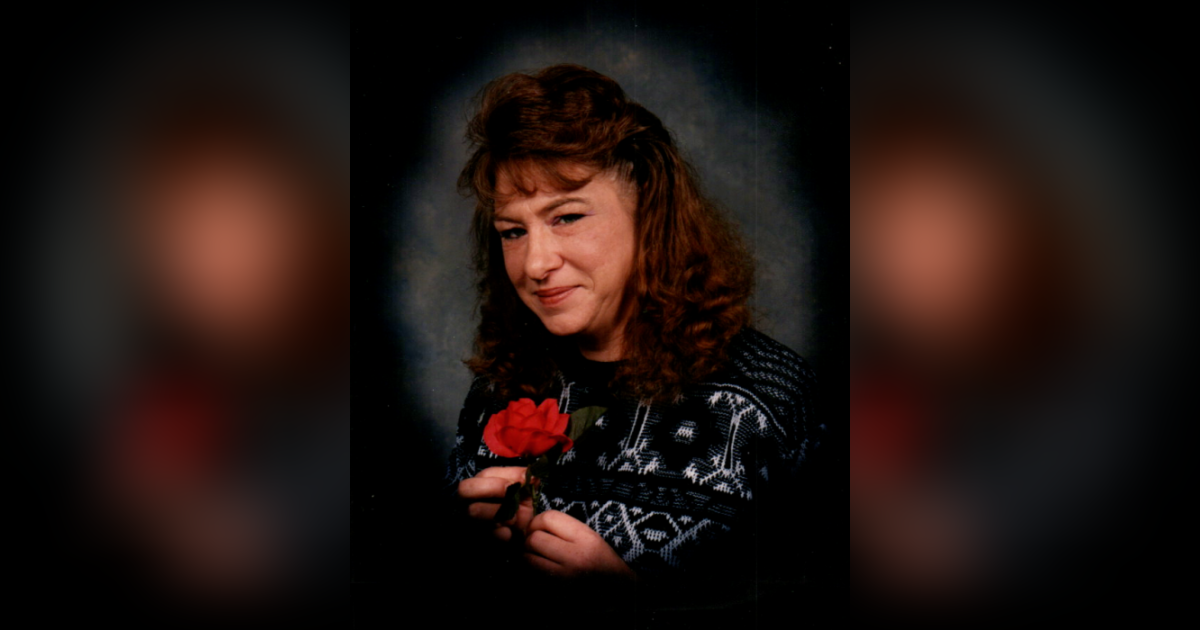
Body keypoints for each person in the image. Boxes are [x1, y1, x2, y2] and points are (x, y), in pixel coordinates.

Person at [444, 64, 829, 615]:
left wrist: (631, 600)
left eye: (567, 217)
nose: (535, 263)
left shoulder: (773, 398)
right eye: (513, 231)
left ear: (649, 214)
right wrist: (465, 544)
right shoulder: (497, 390)